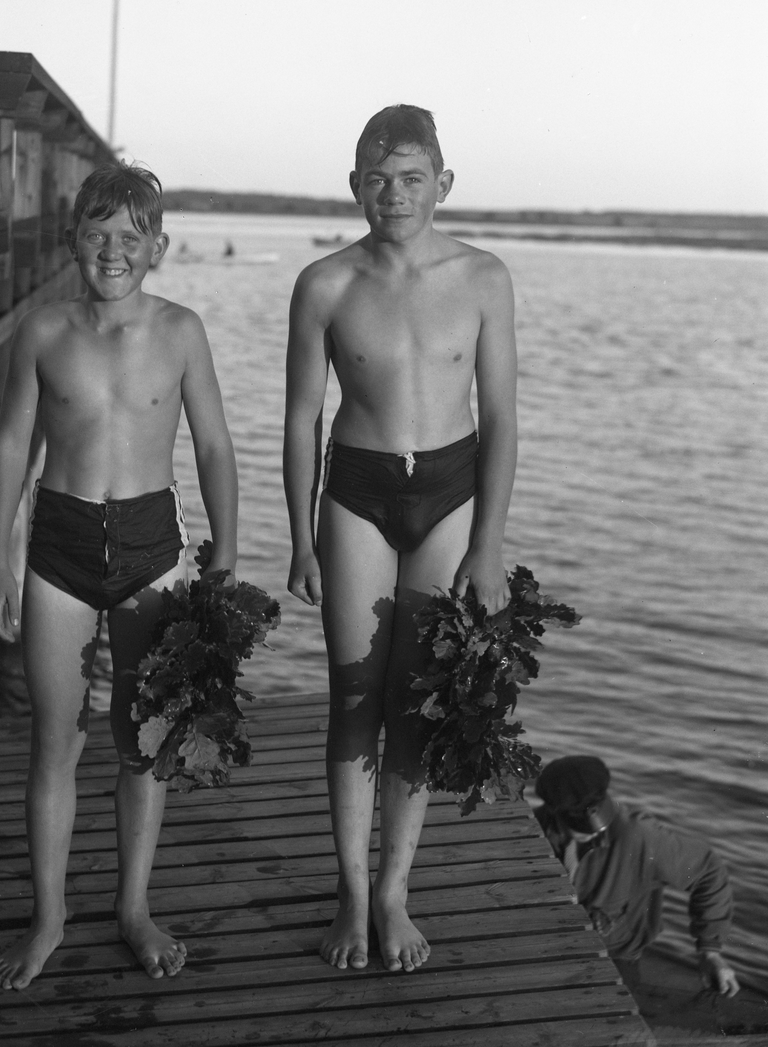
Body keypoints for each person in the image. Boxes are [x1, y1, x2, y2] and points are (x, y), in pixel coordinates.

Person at [0, 161, 238, 988]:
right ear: (72, 241)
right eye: (96, 235)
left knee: (141, 743)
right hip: (55, 543)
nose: (112, 251)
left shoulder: (180, 330)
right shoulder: (45, 332)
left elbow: (211, 445)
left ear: (157, 248)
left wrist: (225, 551)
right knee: (53, 741)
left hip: (149, 549)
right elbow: (10, 445)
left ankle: (133, 908)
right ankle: (48, 917)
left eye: (130, 238)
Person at [283, 105, 517, 972]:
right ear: (353, 186)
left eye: (412, 177)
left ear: (442, 185)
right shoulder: (325, 283)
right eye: (377, 178)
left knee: (416, 697)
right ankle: (349, 892)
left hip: (450, 493)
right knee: (354, 695)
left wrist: (487, 543)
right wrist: (302, 538)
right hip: (358, 490)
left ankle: (393, 892)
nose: (394, 193)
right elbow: (301, 418)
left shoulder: (483, 277)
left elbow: (501, 419)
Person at [534, 755, 739, 997]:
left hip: (614, 957)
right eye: (573, 822)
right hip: (545, 946)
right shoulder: (536, 827)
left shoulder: (640, 836)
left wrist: (710, 950)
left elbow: (709, 872)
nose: (585, 832)